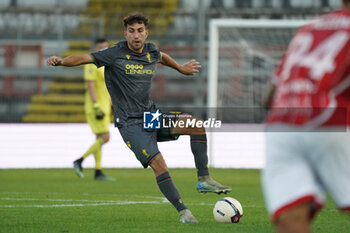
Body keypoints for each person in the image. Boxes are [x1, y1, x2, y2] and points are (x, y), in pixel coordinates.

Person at [47, 12, 231, 223]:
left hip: (151, 116)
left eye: (140, 31)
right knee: (159, 163)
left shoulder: (151, 50)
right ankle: (184, 212)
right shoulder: (114, 53)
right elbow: (83, 58)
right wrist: (61, 62)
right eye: (132, 31)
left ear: (146, 33)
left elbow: (162, 56)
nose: (136, 35)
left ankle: (204, 179)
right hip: (130, 123)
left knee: (196, 125)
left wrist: (181, 68)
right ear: (125, 33)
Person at [262, 1, 350, 232]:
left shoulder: (309, 29)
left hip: (281, 125)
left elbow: (268, 97)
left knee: (292, 217)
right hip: (332, 121)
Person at [73, 38, 115, 181]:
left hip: (104, 106)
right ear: (95, 48)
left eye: (106, 48)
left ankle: (98, 170)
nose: (104, 50)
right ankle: (80, 160)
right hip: (95, 106)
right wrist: (96, 105)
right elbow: (90, 84)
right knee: (106, 137)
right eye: (101, 48)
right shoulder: (92, 63)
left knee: (99, 138)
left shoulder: (105, 64)